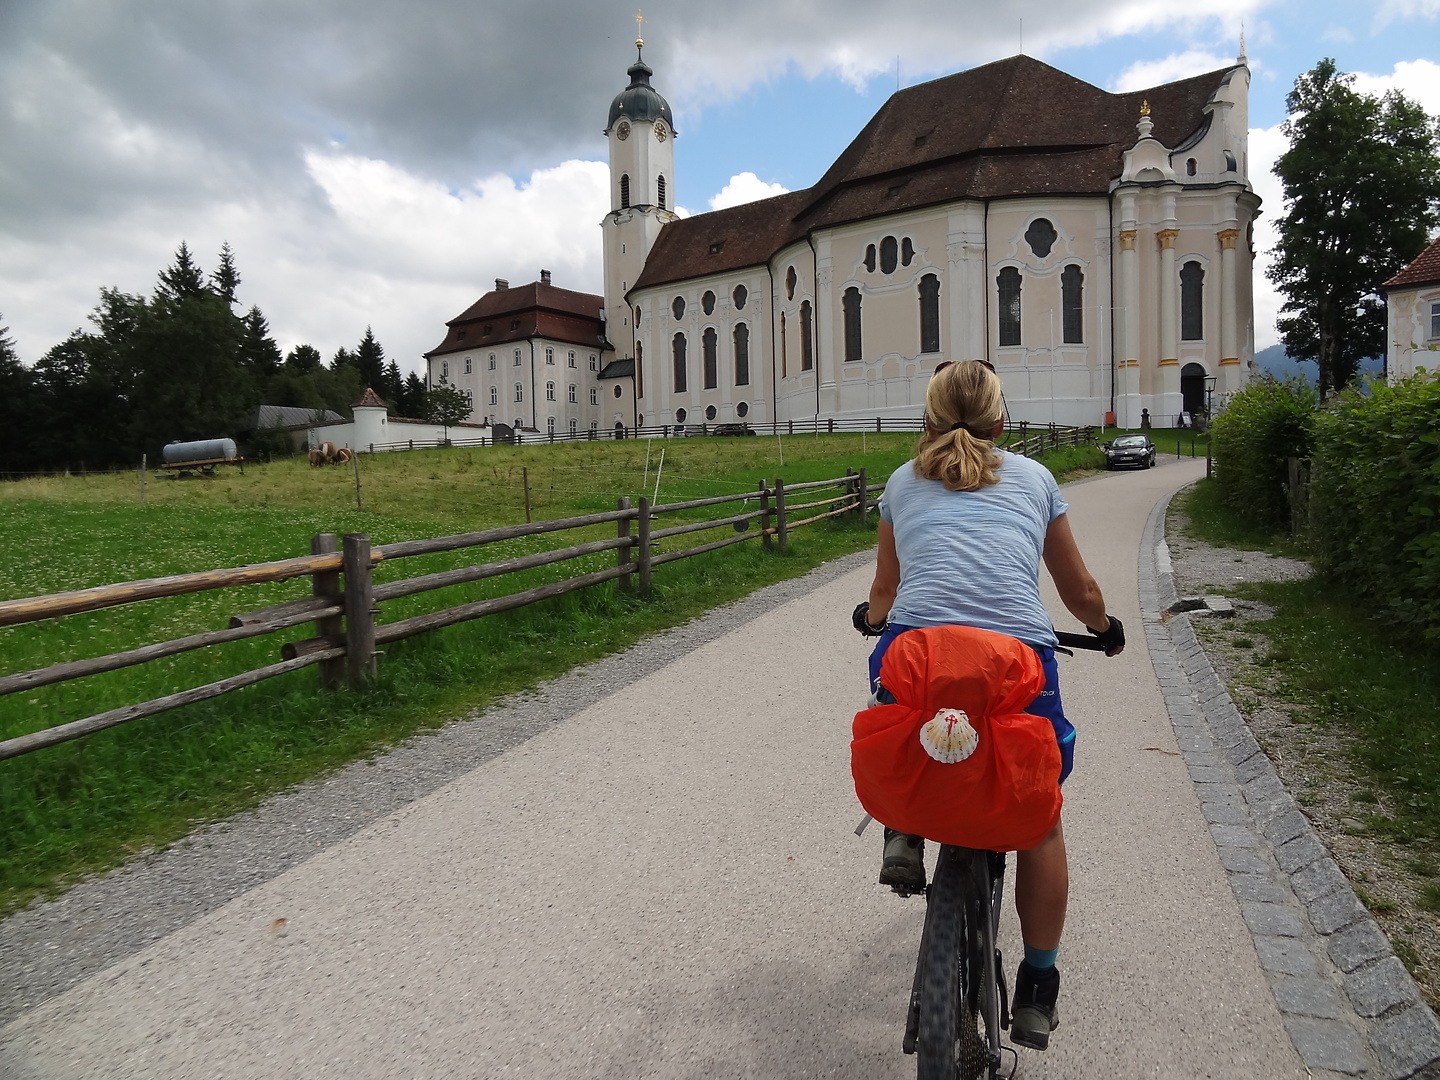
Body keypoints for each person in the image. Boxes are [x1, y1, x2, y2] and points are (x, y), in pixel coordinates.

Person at [852, 359, 1124, 1053]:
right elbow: (1081, 592)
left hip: (919, 651)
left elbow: (886, 590)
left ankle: (904, 830)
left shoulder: (900, 483)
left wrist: (873, 616)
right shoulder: (1035, 479)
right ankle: (1038, 985)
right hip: (1016, 662)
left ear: (927, 420)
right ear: (1003, 423)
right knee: (1039, 821)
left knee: (902, 707)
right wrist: (1104, 629)